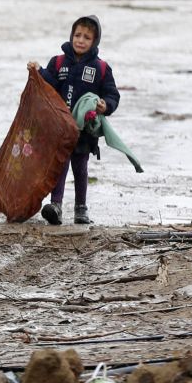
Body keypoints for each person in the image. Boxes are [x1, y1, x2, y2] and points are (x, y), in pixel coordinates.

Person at [26, 15, 120, 226]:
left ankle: (81, 208)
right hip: (60, 128)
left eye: (87, 37)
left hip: (85, 130)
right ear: (71, 35)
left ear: (94, 42)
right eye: (77, 35)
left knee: (80, 167)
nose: (80, 40)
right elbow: (49, 86)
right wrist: (39, 72)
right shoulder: (58, 62)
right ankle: (56, 206)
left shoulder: (101, 68)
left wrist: (106, 105)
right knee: (59, 165)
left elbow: (113, 95)